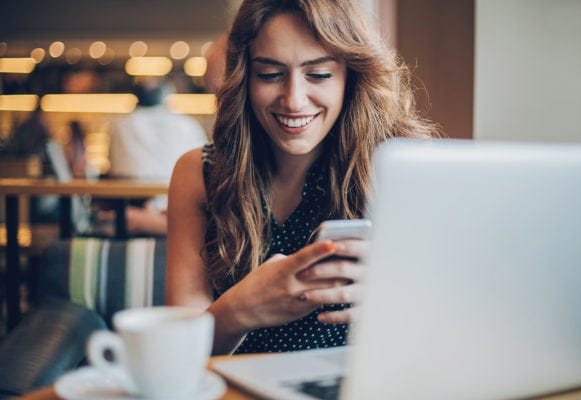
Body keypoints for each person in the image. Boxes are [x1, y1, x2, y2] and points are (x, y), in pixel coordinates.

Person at [167, 0, 437, 355]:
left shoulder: (399, 167)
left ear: (350, 76)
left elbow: (443, 332)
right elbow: (178, 356)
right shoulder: (200, 173)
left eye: (319, 74)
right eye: (269, 74)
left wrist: (402, 296)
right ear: (244, 79)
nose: (294, 100)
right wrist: (239, 310)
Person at [102, 77, 209, 235]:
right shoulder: (187, 124)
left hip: (129, 209)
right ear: (166, 98)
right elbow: (205, 167)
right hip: (179, 207)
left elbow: (110, 166)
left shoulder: (119, 125)